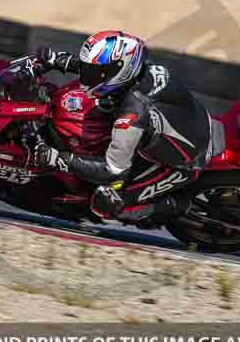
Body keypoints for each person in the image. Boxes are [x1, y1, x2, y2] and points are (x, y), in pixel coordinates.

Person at [33, 30, 213, 225]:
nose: (88, 78)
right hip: (192, 120)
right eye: (88, 69)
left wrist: (57, 158)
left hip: (186, 162)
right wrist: (62, 61)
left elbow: (114, 170)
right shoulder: (143, 71)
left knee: (105, 202)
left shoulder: (131, 116)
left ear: (121, 70)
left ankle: (173, 205)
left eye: (93, 72)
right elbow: (103, 71)